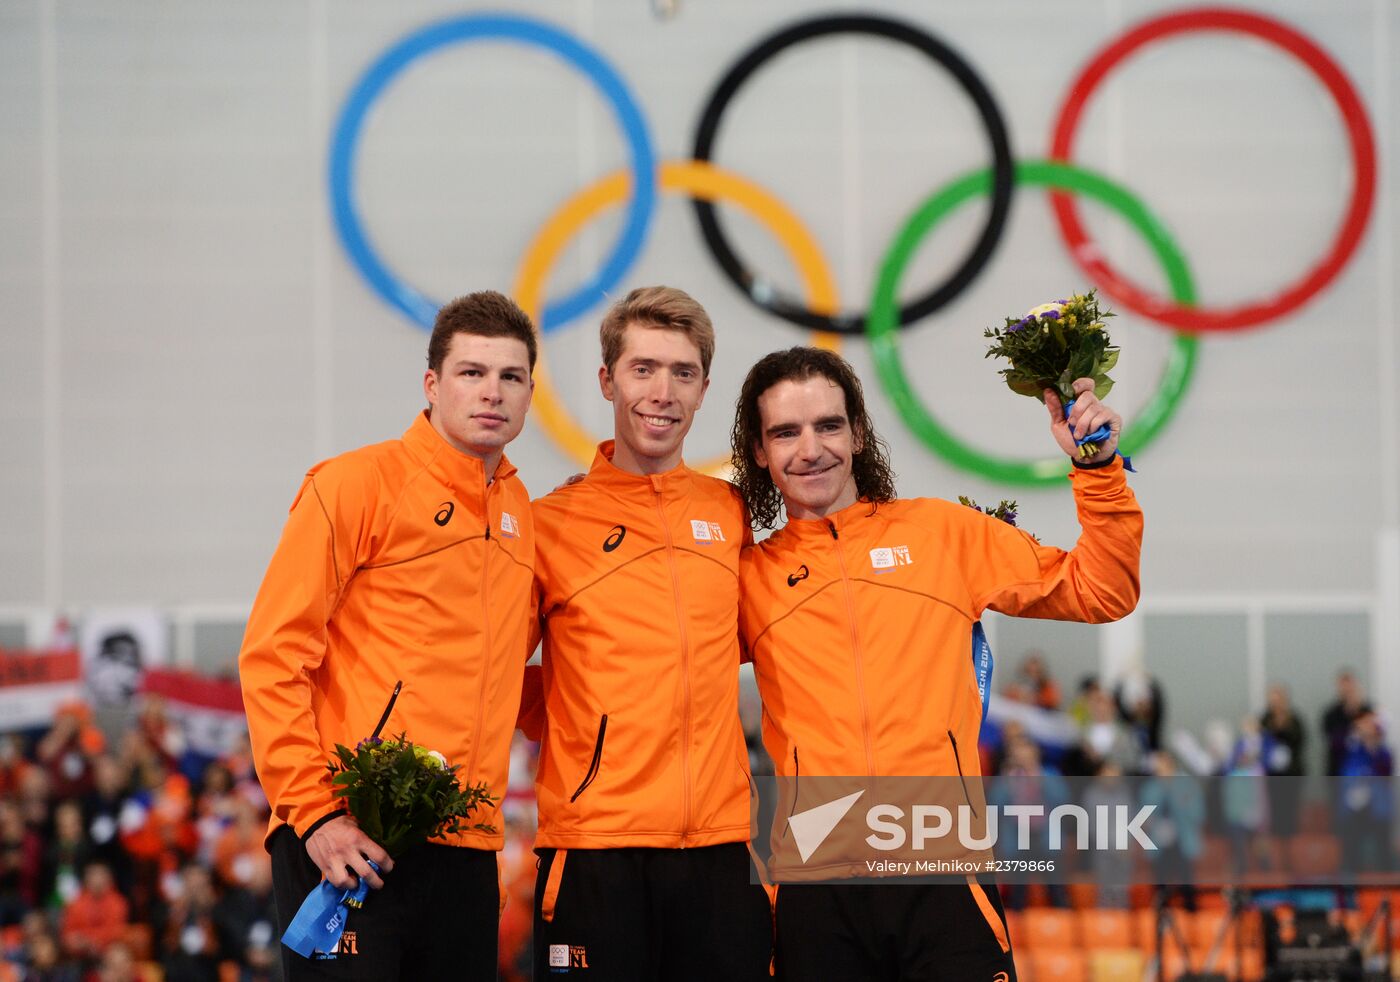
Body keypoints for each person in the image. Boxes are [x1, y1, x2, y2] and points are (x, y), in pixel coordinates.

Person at [731, 346, 1142, 980]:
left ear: (859, 432)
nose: (810, 449)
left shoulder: (942, 536)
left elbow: (1103, 589)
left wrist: (1098, 467)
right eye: (786, 432)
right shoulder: (748, 577)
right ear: (759, 451)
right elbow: (656, 661)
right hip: (816, 881)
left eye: (829, 425)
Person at [238, 291, 538, 981]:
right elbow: (273, 656)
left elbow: (504, 672)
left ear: (528, 393)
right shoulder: (355, 485)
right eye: (471, 372)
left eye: (511, 377)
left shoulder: (522, 511)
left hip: (465, 846)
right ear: (431, 384)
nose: (492, 392)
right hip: (349, 833)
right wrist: (315, 815)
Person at [523, 286, 772, 980]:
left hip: (722, 848)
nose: (662, 392)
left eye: (682, 373)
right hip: (594, 849)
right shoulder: (550, 524)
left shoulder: (728, 513)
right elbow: (488, 666)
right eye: (643, 369)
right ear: (608, 380)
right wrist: (582, 723)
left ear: (703, 389)